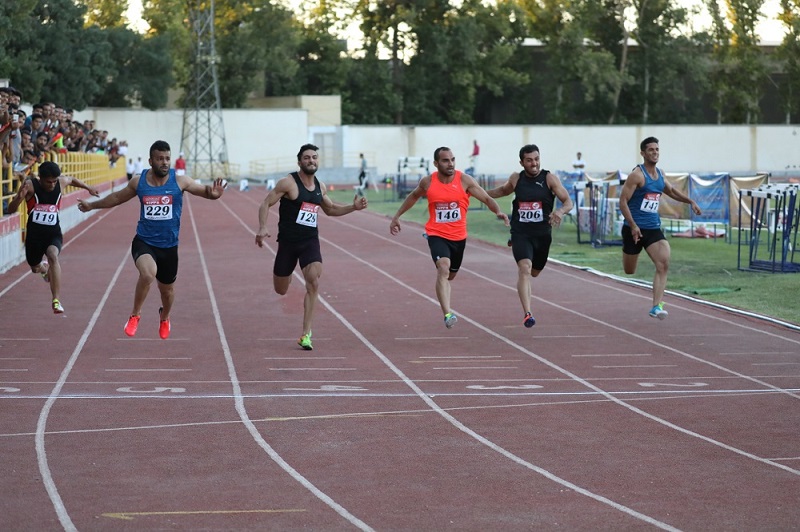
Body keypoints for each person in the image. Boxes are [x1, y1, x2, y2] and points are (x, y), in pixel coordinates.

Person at [77, 140, 227, 339]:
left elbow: (206, 191)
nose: (164, 163)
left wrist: (214, 194)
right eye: (159, 159)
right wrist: (92, 206)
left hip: (169, 247)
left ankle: (164, 317)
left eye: (167, 158)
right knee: (148, 274)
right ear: (150, 160)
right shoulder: (139, 182)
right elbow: (115, 198)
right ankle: (135, 315)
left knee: (168, 292)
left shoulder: (180, 181)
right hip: (144, 242)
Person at [255, 143, 368, 350]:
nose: (311, 161)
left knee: (313, 282)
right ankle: (287, 272)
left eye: (314, 157)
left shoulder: (320, 186)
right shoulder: (288, 183)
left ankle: (306, 334)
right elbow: (265, 203)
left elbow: (331, 209)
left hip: (309, 242)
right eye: (307, 158)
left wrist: (353, 207)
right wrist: (263, 227)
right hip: (288, 243)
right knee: (281, 289)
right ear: (299, 162)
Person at [390, 146, 509, 328]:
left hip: (459, 237)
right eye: (446, 160)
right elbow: (413, 196)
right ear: (436, 163)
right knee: (443, 269)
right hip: (436, 234)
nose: (450, 163)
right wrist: (397, 216)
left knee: (450, 276)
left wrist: (498, 212)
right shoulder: (428, 182)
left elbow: (485, 198)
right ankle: (447, 313)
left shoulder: (465, 180)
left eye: (452, 159)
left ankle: (445, 295)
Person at [487, 144, 573, 328]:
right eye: (529, 160)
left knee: (535, 272)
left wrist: (560, 211)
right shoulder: (516, 178)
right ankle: (528, 313)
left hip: (542, 235)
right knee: (525, 268)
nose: (534, 163)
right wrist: (478, 193)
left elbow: (568, 201)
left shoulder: (549, 178)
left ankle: (531, 268)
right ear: (522, 162)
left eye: (536, 159)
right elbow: (502, 191)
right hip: (521, 232)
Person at [619, 137, 701, 319]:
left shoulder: (660, 174)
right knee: (629, 270)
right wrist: (632, 225)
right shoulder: (637, 175)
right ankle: (628, 249)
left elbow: (671, 191)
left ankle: (656, 306)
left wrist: (690, 201)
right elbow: (622, 201)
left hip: (653, 228)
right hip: (633, 229)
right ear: (643, 153)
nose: (655, 153)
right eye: (651, 150)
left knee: (663, 263)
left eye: (657, 149)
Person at [6, 161, 99, 313]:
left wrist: (88, 188)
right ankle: (43, 269)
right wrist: (19, 198)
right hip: (34, 237)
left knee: (53, 256)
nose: (52, 184)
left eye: (54, 181)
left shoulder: (60, 182)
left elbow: (72, 179)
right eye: (49, 182)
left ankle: (56, 300)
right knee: (35, 267)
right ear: (40, 179)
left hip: (53, 233)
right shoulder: (30, 185)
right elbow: (10, 210)